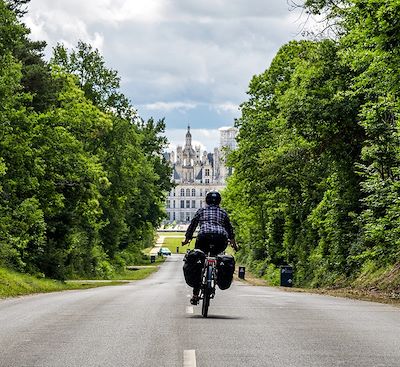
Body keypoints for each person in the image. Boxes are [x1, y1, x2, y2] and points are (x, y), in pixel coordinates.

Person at [181, 190, 237, 305]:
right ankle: (216, 274)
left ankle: (196, 294)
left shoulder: (201, 210)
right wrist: (234, 244)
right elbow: (230, 230)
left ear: (206, 201)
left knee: (199, 261)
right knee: (218, 257)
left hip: (203, 238)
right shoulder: (223, 212)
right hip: (220, 239)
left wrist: (186, 239)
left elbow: (193, 225)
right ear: (219, 201)